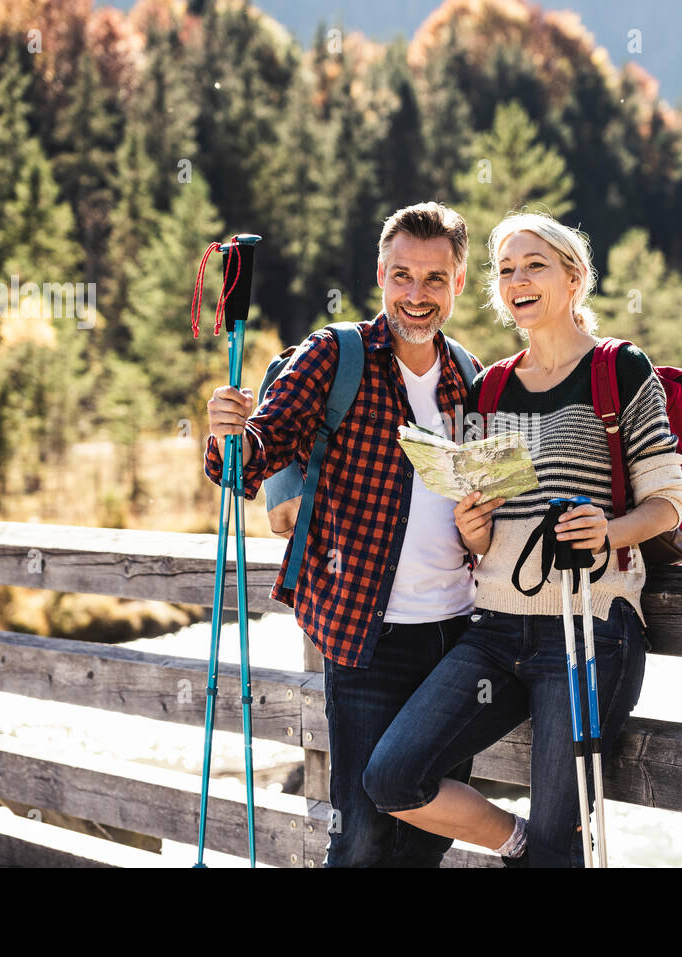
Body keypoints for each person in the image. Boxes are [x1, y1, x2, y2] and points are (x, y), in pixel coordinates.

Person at [362, 211, 682, 866]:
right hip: (495, 633)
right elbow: (485, 532)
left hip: (590, 631)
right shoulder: (492, 387)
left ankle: (541, 849)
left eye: (534, 264)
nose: (517, 279)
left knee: (559, 847)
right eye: (506, 269)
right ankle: (519, 845)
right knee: (392, 775)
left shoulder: (618, 369)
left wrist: (608, 530)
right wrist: (473, 527)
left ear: (574, 278)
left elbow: (668, 502)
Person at [203, 202, 483, 867]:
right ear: (380, 274)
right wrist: (227, 434)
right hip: (368, 637)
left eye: (435, 278)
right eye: (403, 276)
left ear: (459, 284)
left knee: (426, 835)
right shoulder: (337, 354)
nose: (417, 295)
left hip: (460, 642)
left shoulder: (469, 377)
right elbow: (254, 453)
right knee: (359, 834)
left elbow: (482, 509)